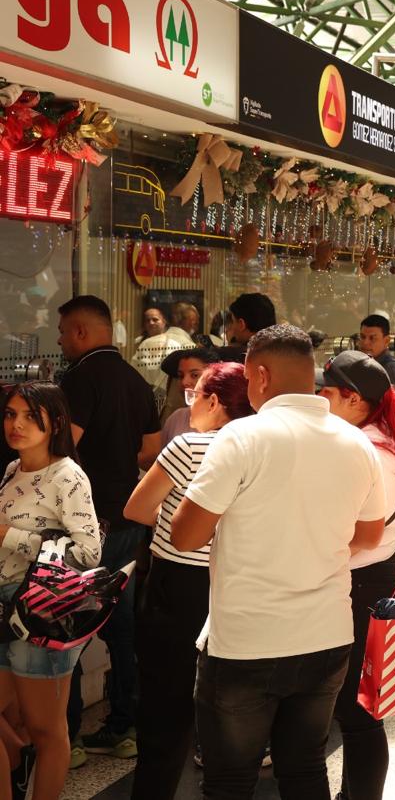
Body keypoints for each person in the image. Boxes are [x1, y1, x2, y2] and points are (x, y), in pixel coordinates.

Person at [171, 324, 386, 798]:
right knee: (305, 770)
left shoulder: (242, 437)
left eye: (247, 379)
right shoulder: (356, 443)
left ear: (262, 375)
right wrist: (312, 545)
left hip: (247, 641)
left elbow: (185, 535)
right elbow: (370, 534)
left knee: (229, 781)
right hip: (326, 636)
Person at [124, 363, 253, 800]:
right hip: (235, 582)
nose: (190, 403)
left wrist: (174, 520)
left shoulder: (187, 446)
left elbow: (137, 509)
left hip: (176, 584)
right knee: (227, 710)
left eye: (194, 394)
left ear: (214, 401)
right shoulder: (257, 447)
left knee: (165, 709)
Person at [56, 295, 160, 763]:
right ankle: (123, 729)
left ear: (80, 332)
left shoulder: (78, 379)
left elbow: (63, 451)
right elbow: (148, 449)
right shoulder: (137, 381)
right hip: (126, 514)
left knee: (69, 622)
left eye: (63, 332)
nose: (60, 341)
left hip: (82, 520)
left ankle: (68, 736)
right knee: (120, 623)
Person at [314, 351, 395, 800]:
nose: (318, 399)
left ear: (354, 400)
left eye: (327, 392)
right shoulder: (376, 441)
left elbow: (353, 533)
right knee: (357, 714)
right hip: (368, 581)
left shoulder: (370, 450)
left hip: (363, 586)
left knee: (359, 716)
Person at [0, 382, 101, 800]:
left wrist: (9, 536)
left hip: (41, 612)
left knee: (47, 730)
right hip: (6, 607)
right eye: (9, 414)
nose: (16, 424)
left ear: (53, 423)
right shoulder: (11, 469)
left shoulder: (67, 475)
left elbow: (89, 552)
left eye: (29, 416)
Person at [158, 347, 221, 447]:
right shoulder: (176, 418)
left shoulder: (230, 420)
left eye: (195, 375)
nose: (184, 382)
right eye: (181, 376)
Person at [358, 314, 395, 392]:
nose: (365, 342)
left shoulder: (391, 370)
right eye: (362, 337)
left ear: (386, 341)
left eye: (372, 338)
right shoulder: (369, 364)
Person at [218, 292, 276, 363]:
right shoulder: (283, 351)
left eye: (233, 321)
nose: (232, 327)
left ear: (241, 324)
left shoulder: (234, 356)